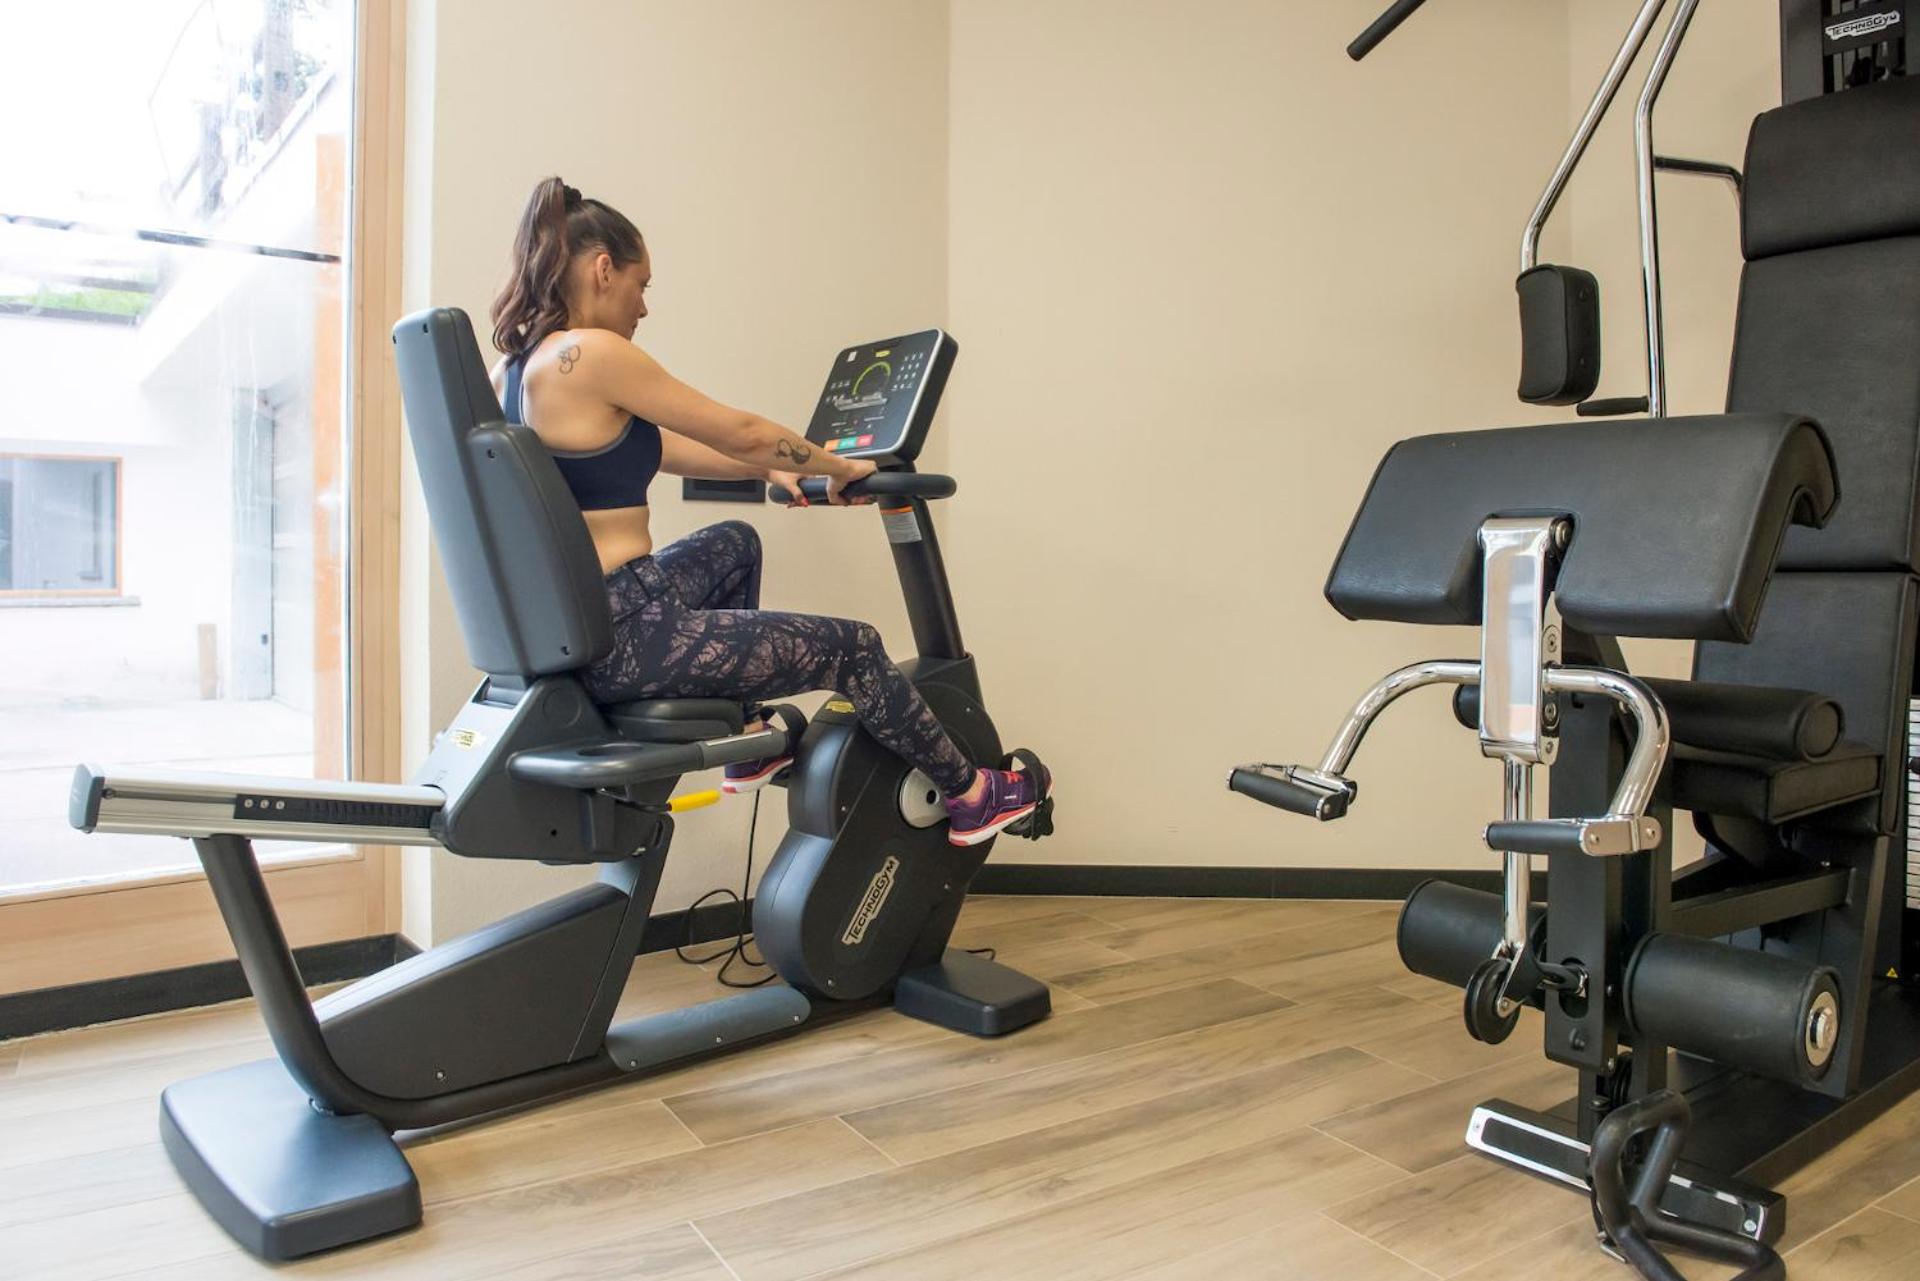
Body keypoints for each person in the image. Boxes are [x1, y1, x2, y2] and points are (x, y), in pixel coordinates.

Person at [487, 177, 1048, 845]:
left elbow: (669, 448)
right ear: (604, 269)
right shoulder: (593, 354)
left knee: (734, 542)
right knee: (856, 647)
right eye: (641, 284)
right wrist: (838, 467)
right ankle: (973, 794)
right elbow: (742, 429)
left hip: (589, 622)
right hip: (629, 636)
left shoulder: (515, 371)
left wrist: (771, 468)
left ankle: (751, 736)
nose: (644, 306)